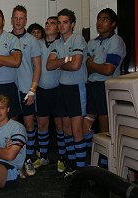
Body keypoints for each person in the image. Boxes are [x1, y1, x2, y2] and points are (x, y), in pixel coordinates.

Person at [83, 8, 126, 168]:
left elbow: (108, 70)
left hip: (106, 87)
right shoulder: (91, 43)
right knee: (84, 127)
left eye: (105, 19)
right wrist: (92, 67)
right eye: (98, 19)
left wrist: (92, 64)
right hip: (91, 87)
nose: (100, 23)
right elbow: (85, 69)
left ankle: (105, 167)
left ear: (113, 23)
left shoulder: (116, 41)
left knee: (104, 128)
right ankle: (93, 160)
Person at [46, 8, 87, 177]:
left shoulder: (78, 39)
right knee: (66, 130)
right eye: (59, 22)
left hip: (76, 88)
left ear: (72, 24)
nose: (61, 26)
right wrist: (67, 59)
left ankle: (82, 170)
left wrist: (60, 63)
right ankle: (71, 165)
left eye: (65, 22)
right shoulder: (56, 43)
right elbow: (49, 66)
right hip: (62, 88)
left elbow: (76, 65)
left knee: (77, 131)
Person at [10, 5, 42, 178]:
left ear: (26, 20)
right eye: (15, 17)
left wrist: (33, 90)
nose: (18, 21)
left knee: (29, 126)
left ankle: (28, 159)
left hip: (26, 90)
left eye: (22, 18)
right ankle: (14, 163)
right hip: (9, 90)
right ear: (11, 19)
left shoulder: (32, 40)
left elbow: (37, 67)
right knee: (11, 127)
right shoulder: (5, 38)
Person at [34, 16, 66, 173]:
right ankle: (43, 156)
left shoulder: (63, 44)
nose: (48, 25)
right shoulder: (37, 43)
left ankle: (62, 158)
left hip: (59, 90)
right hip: (41, 90)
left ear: (58, 27)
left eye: (52, 23)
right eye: (46, 23)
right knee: (42, 125)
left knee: (60, 126)